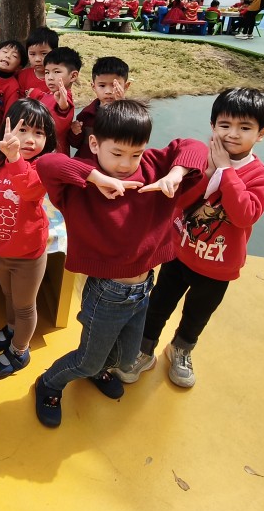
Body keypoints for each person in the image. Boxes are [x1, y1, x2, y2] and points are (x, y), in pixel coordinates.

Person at [32, 100, 206, 427]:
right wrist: (95, 176)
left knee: (127, 358)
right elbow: (47, 164)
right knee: (87, 359)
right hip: (107, 294)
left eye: (135, 154)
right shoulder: (78, 185)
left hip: (143, 287)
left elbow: (194, 146)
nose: (126, 164)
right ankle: (50, 383)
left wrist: (176, 173)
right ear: (94, 143)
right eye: (117, 153)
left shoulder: (153, 167)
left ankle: (98, 369)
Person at [115, 88, 264, 389]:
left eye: (245, 127)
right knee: (158, 305)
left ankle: (180, 349)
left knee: (197, 315)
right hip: (179, 252)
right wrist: (207, 173)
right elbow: (179, 202)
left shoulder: (260, 176)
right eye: (225, 125)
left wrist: (225, 171)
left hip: (219, 267)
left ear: (261, 133)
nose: (233, 134)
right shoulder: (199, 160)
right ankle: (144, 350)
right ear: (213, 126)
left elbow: (245, 216)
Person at [0, 99, 57, 378]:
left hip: (28, 255)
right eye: (23, 130)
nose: (30, 139)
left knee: (24, 307)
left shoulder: (43, 167)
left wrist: (14, 159)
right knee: (8, 295)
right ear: (7, 129)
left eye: (39, 133)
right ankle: (12, 330)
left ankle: (20, 350)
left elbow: (30, 190)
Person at [67, 56, 130, 158]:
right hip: (87, 163)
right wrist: (75, 133)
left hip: (113, 165)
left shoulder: (132, 115)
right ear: (93, 86)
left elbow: (132, 140)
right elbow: (77, 144)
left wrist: (121, 106)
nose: (108, 91)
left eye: (114, 85)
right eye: (102, 86)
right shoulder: (86, 115)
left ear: (125, 86)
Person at [25, 47, 80, 154]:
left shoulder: (64, 98)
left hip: (52, 155)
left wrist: (63, 108)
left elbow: (62, 113)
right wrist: (36, 94)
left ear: (73, 76)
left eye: (57, 72)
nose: (50, 77)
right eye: (47, 72)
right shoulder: (50, 95)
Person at [18, 27, 59, 96]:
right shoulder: (23, 76)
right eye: (32, 54)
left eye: (44, 53)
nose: (37, 59)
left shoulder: (59, 78)